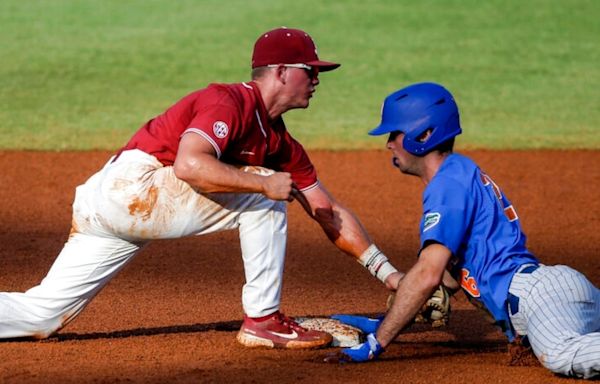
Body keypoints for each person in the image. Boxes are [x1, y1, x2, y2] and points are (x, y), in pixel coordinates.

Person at [0, 27, 405, 349]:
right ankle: (262, 321)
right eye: (310, 70)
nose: (317, 79)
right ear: (281, 71)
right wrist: (260, 184)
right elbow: (190, 164)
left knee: (43, 315)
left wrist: (390, 275)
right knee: (264, 189)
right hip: (132, 187)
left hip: (111, 209)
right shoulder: (228, 100)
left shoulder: (282, 145)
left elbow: (327, 210)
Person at [331, 82, 600, 378]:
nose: (388, 144)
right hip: (552, 291)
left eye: (394, 134)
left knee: (562, 355)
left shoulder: (448, 186)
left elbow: (428, 274)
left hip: (540, 296)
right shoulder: (459, 172)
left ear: (423, 135)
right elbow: (445, 279)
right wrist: (390, 319)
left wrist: (377, 342)